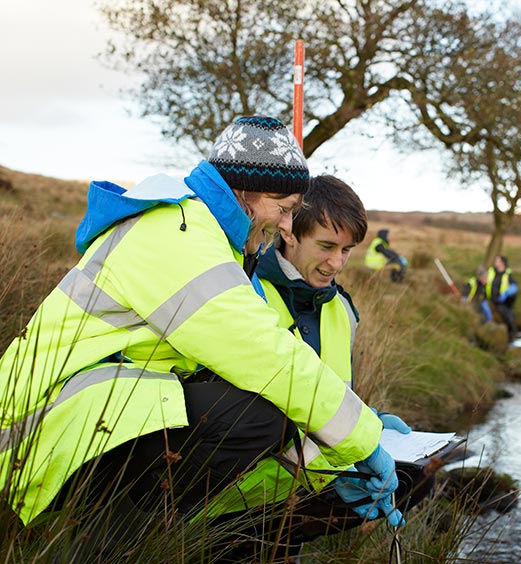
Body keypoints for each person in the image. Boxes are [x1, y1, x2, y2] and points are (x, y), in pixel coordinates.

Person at [0, 117, 401, 549]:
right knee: (254, 417)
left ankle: (128, 540)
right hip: (30, 432)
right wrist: (361, 440)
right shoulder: (178, 235)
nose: (287, 227)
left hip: (75, 418)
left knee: (255, 411)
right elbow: (267, 357)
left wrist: (349, 448)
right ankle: (101, 549)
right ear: (245, 191)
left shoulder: (208, 237)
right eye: (284, 209)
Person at [202, 174, 433, 557]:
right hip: (235, 495)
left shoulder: (342, 309)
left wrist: (370, 420)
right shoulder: (244, 293)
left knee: (416, 477)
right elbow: (241, 414)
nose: (336, 263)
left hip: (314, 478)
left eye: (346, 250)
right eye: (326, 246)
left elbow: (334, 397)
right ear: (289, 231)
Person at [486, 255, 519, 340]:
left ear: (502, 263)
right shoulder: (491, 271)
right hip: (491, 299)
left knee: (507, 314)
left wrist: (505, 294)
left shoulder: (507, 274)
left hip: (502, 301)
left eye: (497, 261)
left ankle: (512, 333)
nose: (495, 262)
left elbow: (514, 287)